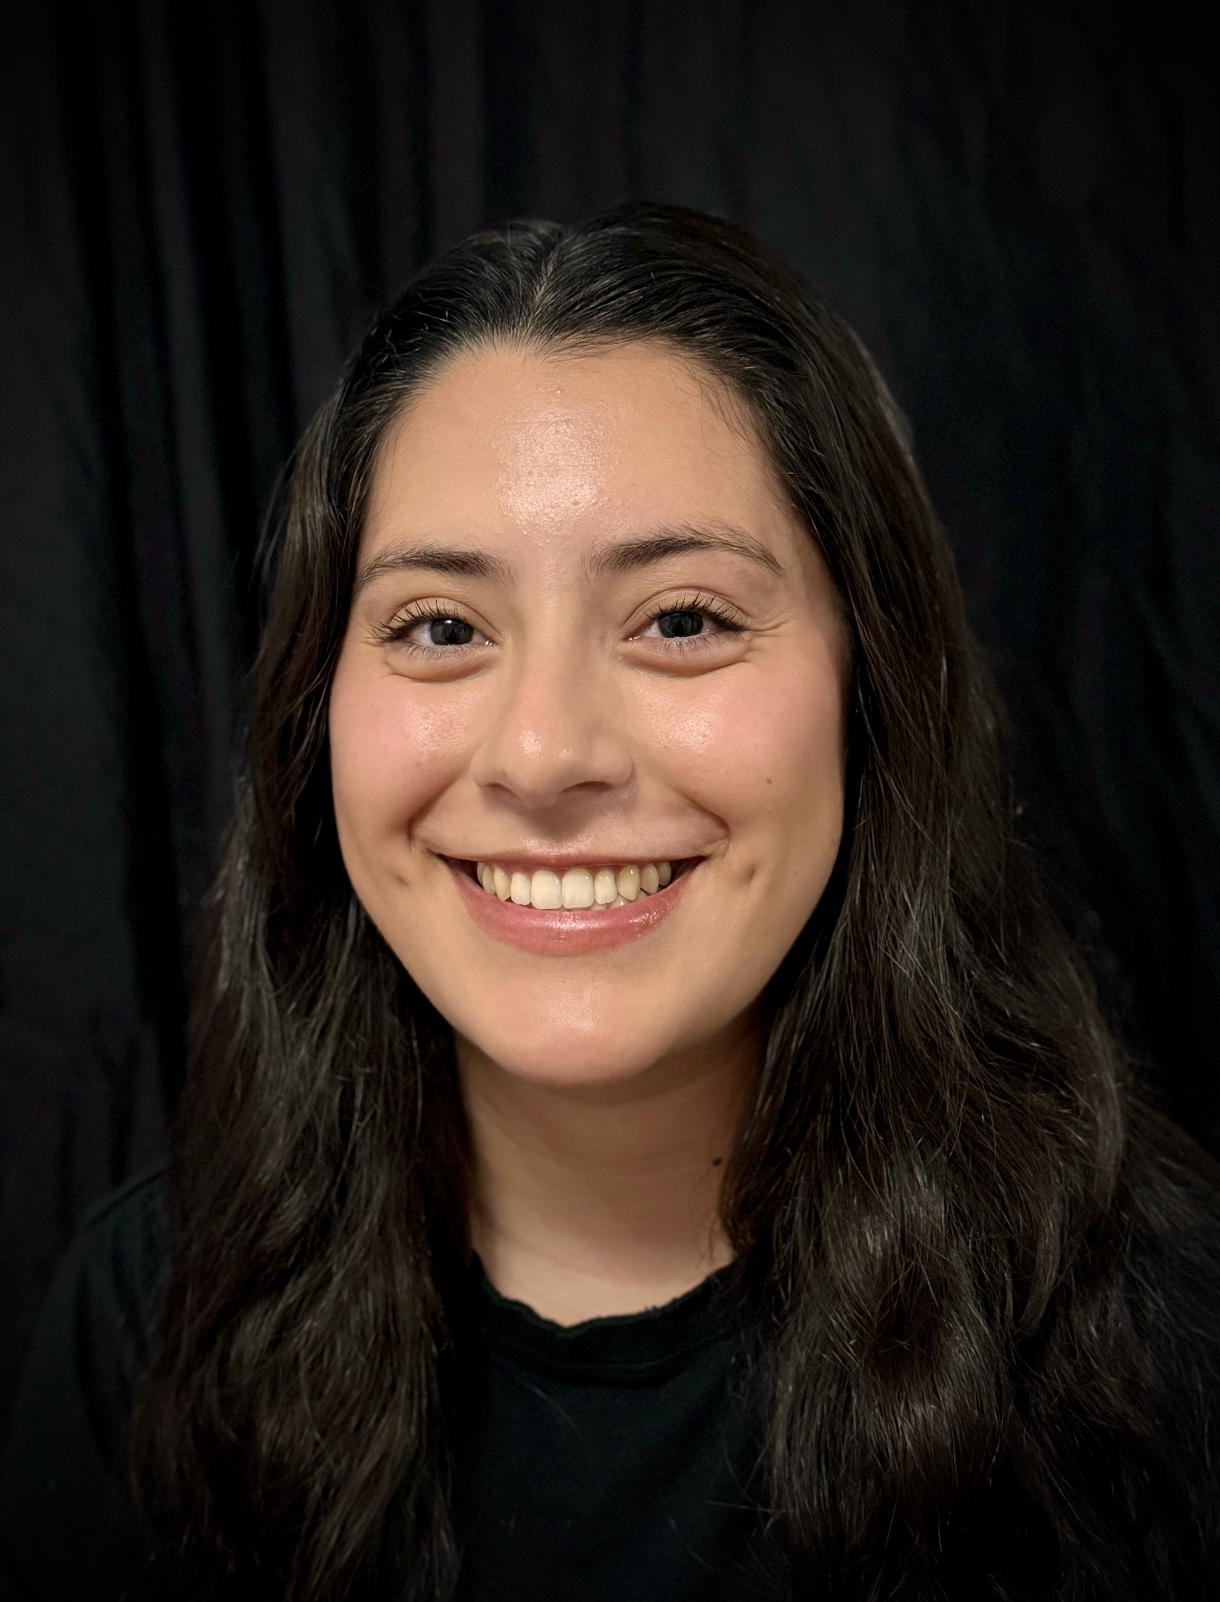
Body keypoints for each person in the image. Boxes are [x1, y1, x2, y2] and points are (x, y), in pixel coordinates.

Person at [3, 202, 1218, 1602]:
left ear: (874, 690)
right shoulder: (145, 1323)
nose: (542, 755)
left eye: (683, 619)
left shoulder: (1168, 1356)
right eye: (440, 627)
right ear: (314, 711)